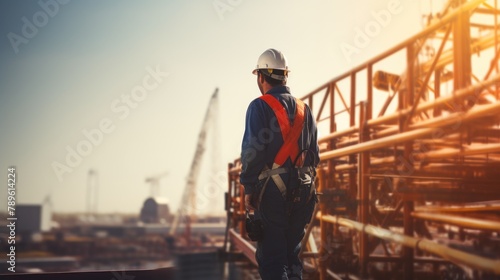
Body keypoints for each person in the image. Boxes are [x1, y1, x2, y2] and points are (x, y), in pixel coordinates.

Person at [240, 48, 320, 280]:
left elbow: (252, 153)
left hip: (273, 193)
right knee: (291, 255)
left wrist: (249, 188)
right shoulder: (306, 110)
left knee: (272, 259)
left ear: (261, 77)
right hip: (305, 191)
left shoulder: (259, 106)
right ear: (285, 76)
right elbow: (314, 156)